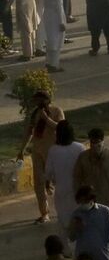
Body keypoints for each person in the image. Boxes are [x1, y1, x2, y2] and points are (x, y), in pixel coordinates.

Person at [22, 89, 65, 220]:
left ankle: (63, 209)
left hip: (52, 151)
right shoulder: (35, 113)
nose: (36, 102)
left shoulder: (57, 111)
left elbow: (61, 127)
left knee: (57, 181)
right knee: (38, 182)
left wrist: (46, 119)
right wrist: (21, 150)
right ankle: (44, 213)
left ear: (45, 100)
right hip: (37, 151)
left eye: (38, 99)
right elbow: (30, 132)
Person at [74, 127, 109, 220]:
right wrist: (79, 198)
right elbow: (77, 178)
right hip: (91, 201)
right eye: (93, 143)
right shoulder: (83, 158)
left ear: (102, 141)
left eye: (97, 143)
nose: (95, 146)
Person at [48, 119, 88, 226]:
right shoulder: (80, 148)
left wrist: (48, 183)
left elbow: (48, 172)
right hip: (79, 191)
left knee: (65, 223)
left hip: (62, 192)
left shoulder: (53, 150)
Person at [68, 184, 109, 260]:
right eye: (81, 201)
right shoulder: (76, 214)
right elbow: (71, 237)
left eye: (85, 201)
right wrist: (76, 228)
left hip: (103, 256)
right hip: (84, 258)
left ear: (92, 199)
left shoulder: (105, 211)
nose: (83, 204)